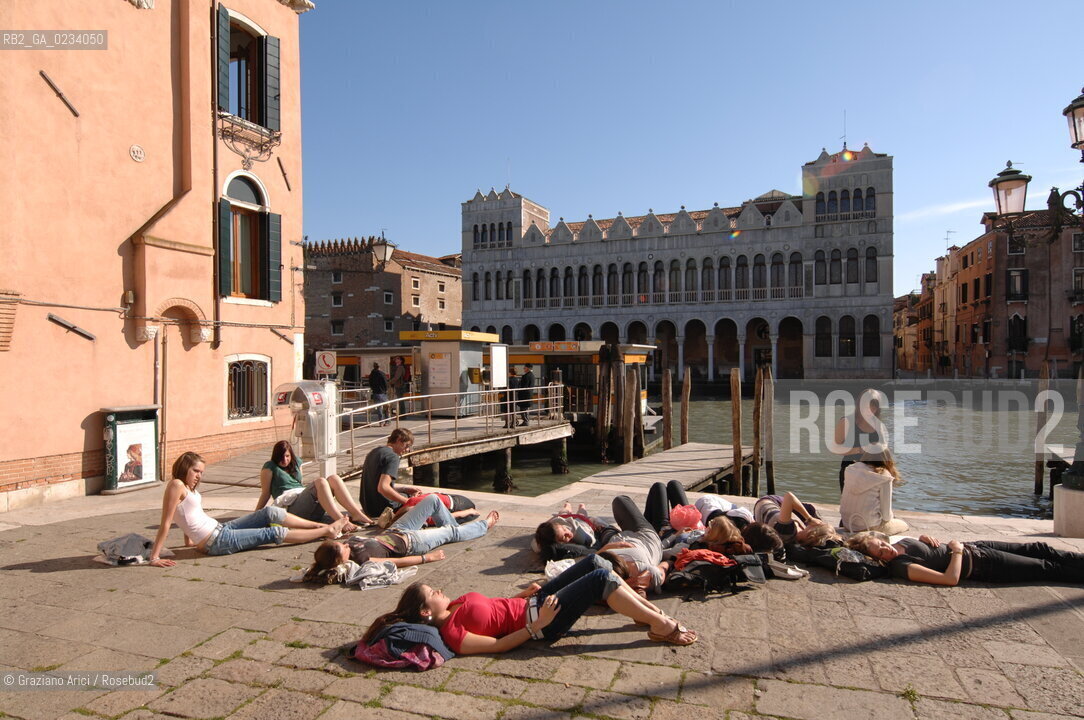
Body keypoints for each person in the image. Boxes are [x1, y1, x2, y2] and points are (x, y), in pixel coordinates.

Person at [361, 554, 698, 654]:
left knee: (597, 562)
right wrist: (535, 626)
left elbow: (495, 608)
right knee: (599, 580)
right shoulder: (453, 633)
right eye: (432, 592)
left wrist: (525, 594)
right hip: (541, 621)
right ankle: (660, 624)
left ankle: (648, 615)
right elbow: (498, 644)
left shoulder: (455, 606)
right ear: (425, 612)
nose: (438, 590)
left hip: (534, 602)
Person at [148, 452, 346, 567]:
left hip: (220, 529)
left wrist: (189, 540)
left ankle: (318, 525)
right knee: (273, 532)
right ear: (184, 468)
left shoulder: (188, 488)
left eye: (201, 472)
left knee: (270, 513)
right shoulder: (176, 485)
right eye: (195, 471)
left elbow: (189, 515)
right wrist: (155, 557)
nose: (199, 476)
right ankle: (327, 530)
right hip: (216, 542)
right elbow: (167, 521)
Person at [304, 494, 499, 582]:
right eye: (342, 548)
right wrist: (426, 558)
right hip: (412, 542)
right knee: (449, 532)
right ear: (341, 560)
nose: (345, 545)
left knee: (432, 500)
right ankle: (483, 525)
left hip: (398, 529)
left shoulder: (350, 543)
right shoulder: (364, 561)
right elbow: (396, 562)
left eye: (340, 543)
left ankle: (457, 529)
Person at [845, 531, 1084, 587]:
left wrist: (924, 537)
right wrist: (957, 550)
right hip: (984, 566)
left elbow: (919, 543)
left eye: (882, 544)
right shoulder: (901, 567)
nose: (886, 549)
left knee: (1039, 547)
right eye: (880, 553)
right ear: (877, 560)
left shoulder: (900, 544)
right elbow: (950, 579)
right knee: (1046, 568)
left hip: (979, 547)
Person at [256, 440, 372, 527]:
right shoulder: (270, 467)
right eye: (281, 457)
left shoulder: (296, 463)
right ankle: (340, 521)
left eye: (287, 456)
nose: (285, 460)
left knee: (334, 478)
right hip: (290, 507)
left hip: (303, 499)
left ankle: (357, 514)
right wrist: (256, 516)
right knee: (320, 481)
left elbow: (300, 484)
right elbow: (265, 493)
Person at [839, 445, 908, 535]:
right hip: (869, 526)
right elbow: (886, 516)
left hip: (847, 523)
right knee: (903, 525)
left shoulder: (850, 469)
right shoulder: (884, 476)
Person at [833, 388, 887, 493]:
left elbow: (884, 449)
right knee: (851, 505)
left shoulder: (879, 425)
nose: (870, 410)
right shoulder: (846, 422)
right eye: (866, 407)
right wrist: (860, 450)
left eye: (874, 407)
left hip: (874, 471)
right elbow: (835, 448)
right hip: (851, 471)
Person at [360, 428, 420, 518]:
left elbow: (376, 484)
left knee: (405, 494)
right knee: (415, 498)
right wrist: (408, 501)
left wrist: (403, 488)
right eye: (407, 446)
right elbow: (383, 488)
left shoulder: (374, 452)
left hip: (368, 507)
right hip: (382, 509)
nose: (408, 450)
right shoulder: (393, 457)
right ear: (399, 440)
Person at [753, 492, 828, 547]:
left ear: (812, 533)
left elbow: (789, 496)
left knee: (809, 509)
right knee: (809, 509)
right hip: (774, 510)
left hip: (770, 501)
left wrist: (810, 518)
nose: (818, 522)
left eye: (819, 524)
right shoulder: (799, 537)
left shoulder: (787, 531)